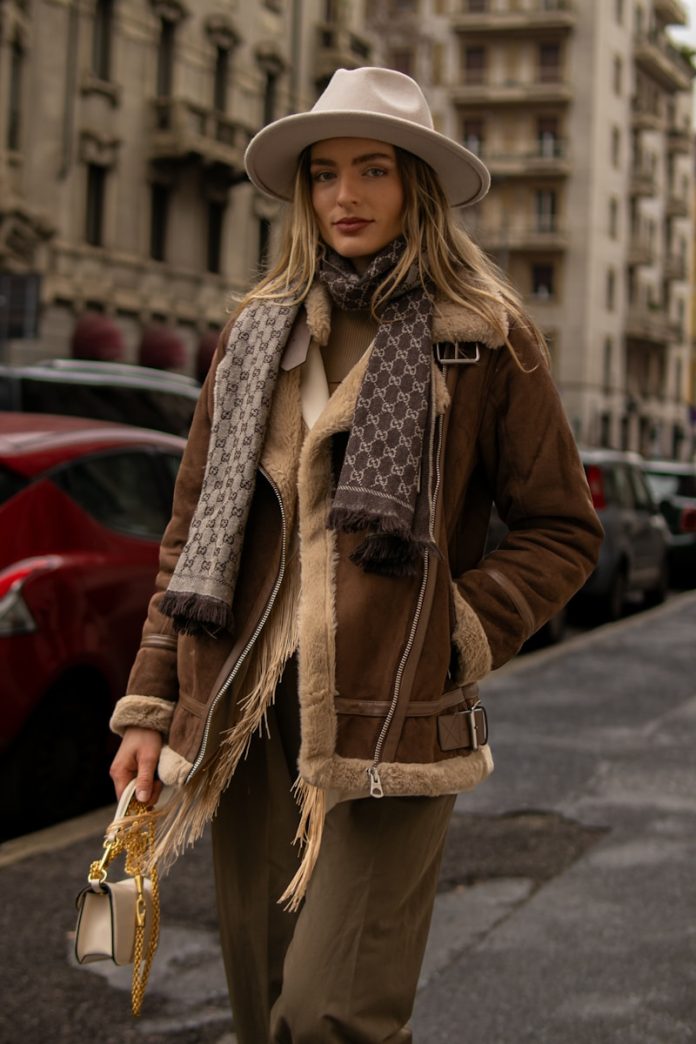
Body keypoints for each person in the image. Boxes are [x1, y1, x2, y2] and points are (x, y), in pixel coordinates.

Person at [109, 67, 602, 1043]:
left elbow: (562, 528)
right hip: (246, 716)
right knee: (264, 1008)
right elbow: (191, 531)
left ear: (416, 184)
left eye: (373, 169)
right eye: (325, 173)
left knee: (331, 1013)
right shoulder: (255, 333)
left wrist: (455, 631)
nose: (345, 195)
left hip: (397, 718)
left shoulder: (486, 338)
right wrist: (151, 704)